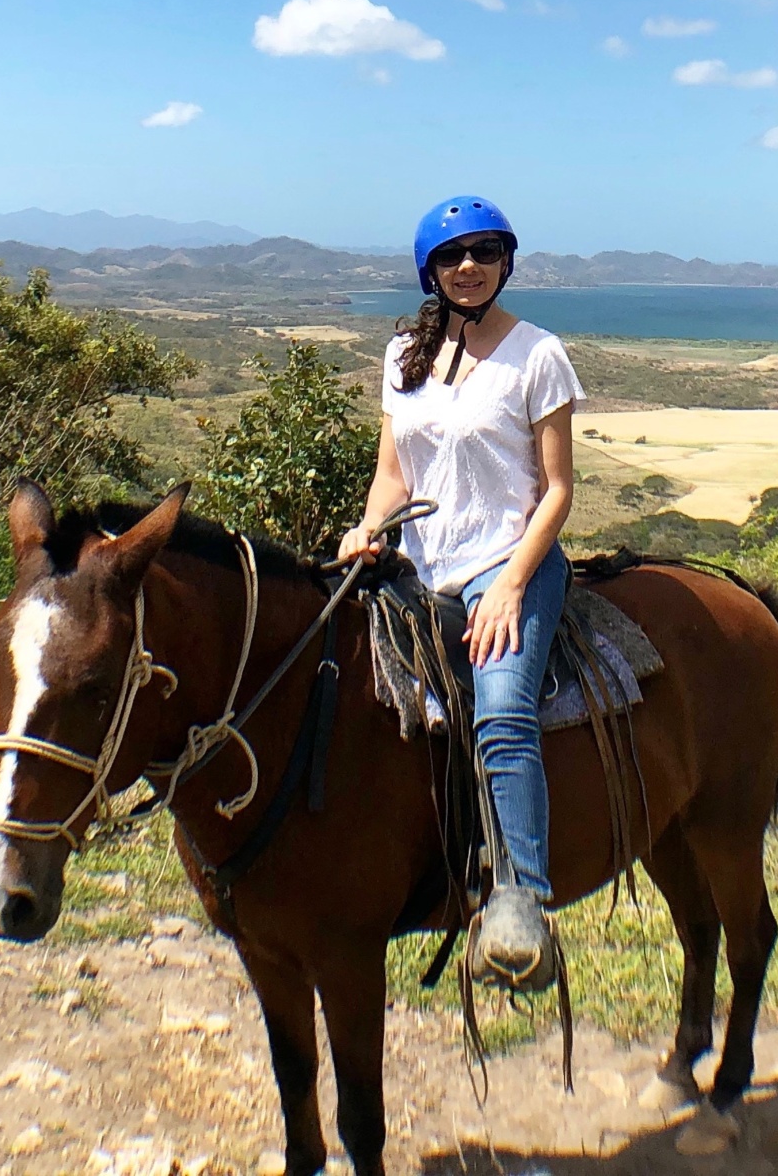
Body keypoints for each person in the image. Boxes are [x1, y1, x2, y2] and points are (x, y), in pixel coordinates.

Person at [338, 194, 583, 991]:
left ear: (506, 261)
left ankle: (521, 897)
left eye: (483, 252)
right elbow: (392, 472)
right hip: (417, 563)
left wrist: (512, 583)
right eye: (453, 256)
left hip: (507, 563)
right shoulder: (403, 351)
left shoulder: (538, 355)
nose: (468, 266)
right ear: (431, 272)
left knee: (503, 708)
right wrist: (368, 529)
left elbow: (556, 490)